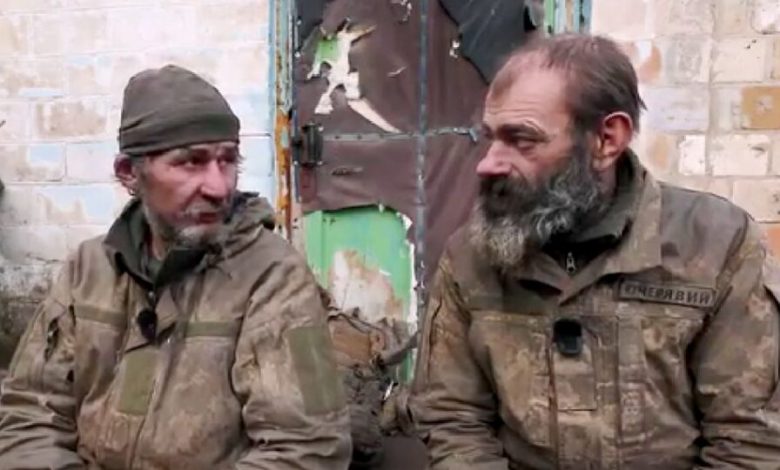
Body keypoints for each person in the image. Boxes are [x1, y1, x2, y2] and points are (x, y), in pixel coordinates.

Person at [410, 34, 780, 469]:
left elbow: (750, 439)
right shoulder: (471, 255)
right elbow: (453, 419)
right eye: (490, 138)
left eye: (522, 140)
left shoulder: (715, 245)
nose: (488, 163)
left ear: (606, 139)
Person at [0, 65, 351, 469]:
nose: (219, 186)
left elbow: (305, 448)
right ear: (129, 173)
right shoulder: (88, 269)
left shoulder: (273, 276)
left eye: (228, 160)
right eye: (191, 162)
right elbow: (30, 412)